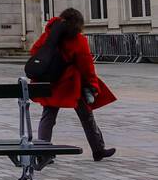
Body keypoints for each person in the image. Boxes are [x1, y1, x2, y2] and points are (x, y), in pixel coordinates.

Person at [31, 8, 116, 161]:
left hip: (51, 82)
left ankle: (43, 153)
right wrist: (92, 85)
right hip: (72, 84)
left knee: (48, 117)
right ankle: (98, 149)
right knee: (86, 117)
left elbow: (35, 51)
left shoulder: (49, 34)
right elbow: (86, 66)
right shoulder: (78, 40)